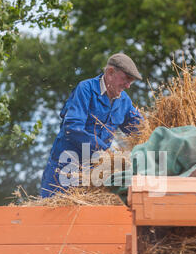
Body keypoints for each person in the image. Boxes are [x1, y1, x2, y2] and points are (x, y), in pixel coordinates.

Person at [40, 53, 143, 197]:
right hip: (65, 167)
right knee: (50, 214)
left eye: (130, 82)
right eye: (125, 79)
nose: (128, 86)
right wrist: (104, 152)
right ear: (110, 72)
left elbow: (139, 130)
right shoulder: (85, 89)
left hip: (94, 172)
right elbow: (72, 128)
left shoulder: (124, 101)